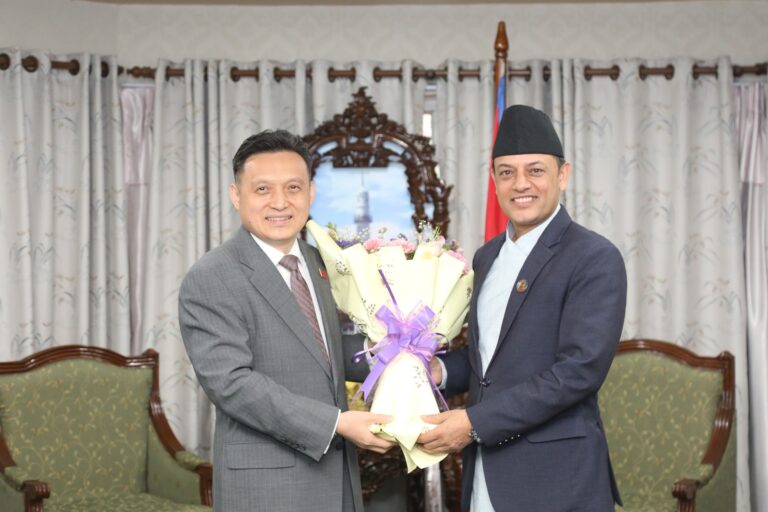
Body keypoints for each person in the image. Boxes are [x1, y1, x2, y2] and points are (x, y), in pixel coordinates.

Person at [417, 105, 627, 511]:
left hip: (556, 478)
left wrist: (473, 423)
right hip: (485, 470)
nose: (521, 184)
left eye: (535, 170)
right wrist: (439, 370)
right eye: (507, 172)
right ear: (494, 179)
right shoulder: (486, 256)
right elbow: (490, 361)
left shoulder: (593, 257)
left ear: (562, 175)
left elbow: (578, 371)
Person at [178, 129, 394, 512]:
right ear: (236, 195)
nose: (280, 202)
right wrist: (336, 424)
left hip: (338, 478)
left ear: (311, 193)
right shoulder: (212, 276)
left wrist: (389, 353)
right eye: (262, 189)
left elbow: (321, 351)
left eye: (293, 188)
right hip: (268, 487)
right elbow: (232, 384)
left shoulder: (319, 261)